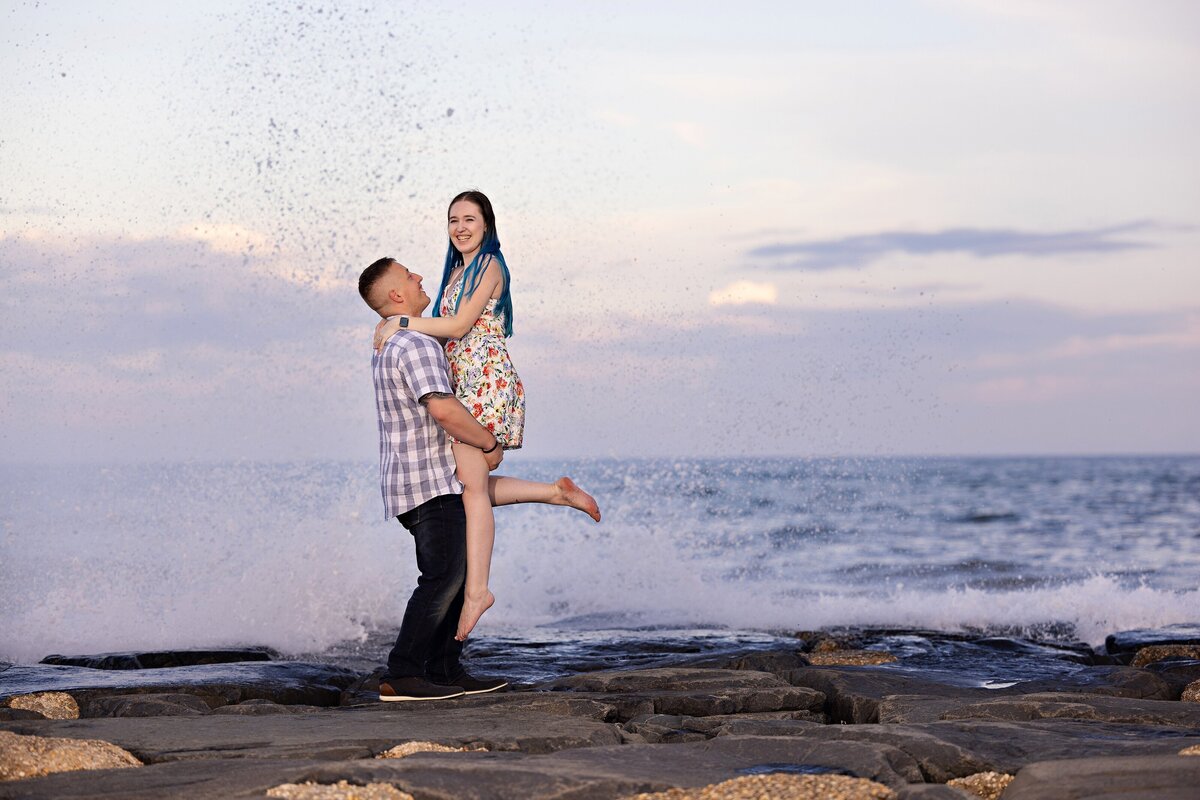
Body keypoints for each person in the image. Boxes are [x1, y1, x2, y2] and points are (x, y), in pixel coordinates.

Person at [373, 190, 600, 641]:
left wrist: (398, 322)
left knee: (471, 491)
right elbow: (446, 334)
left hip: (485, 380)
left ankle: (477, 591)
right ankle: (555, 493)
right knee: (468, 484)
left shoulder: (490, 265)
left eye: (469, 219)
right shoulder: (456, 271)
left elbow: (457, 328)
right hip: (467, 378)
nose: (460, 227)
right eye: (453, 220)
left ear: (487, 225)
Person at [358, 256, 508, 701]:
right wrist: (486, 443)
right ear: (398, 296)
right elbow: (443, 408)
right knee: (443, 576)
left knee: (456, 575)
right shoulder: (416, 344)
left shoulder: (392, 343)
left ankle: (444, 669)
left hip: (410, 481)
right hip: (428, 482)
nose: (420, 276)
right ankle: (402, 673)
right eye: (409, 275)